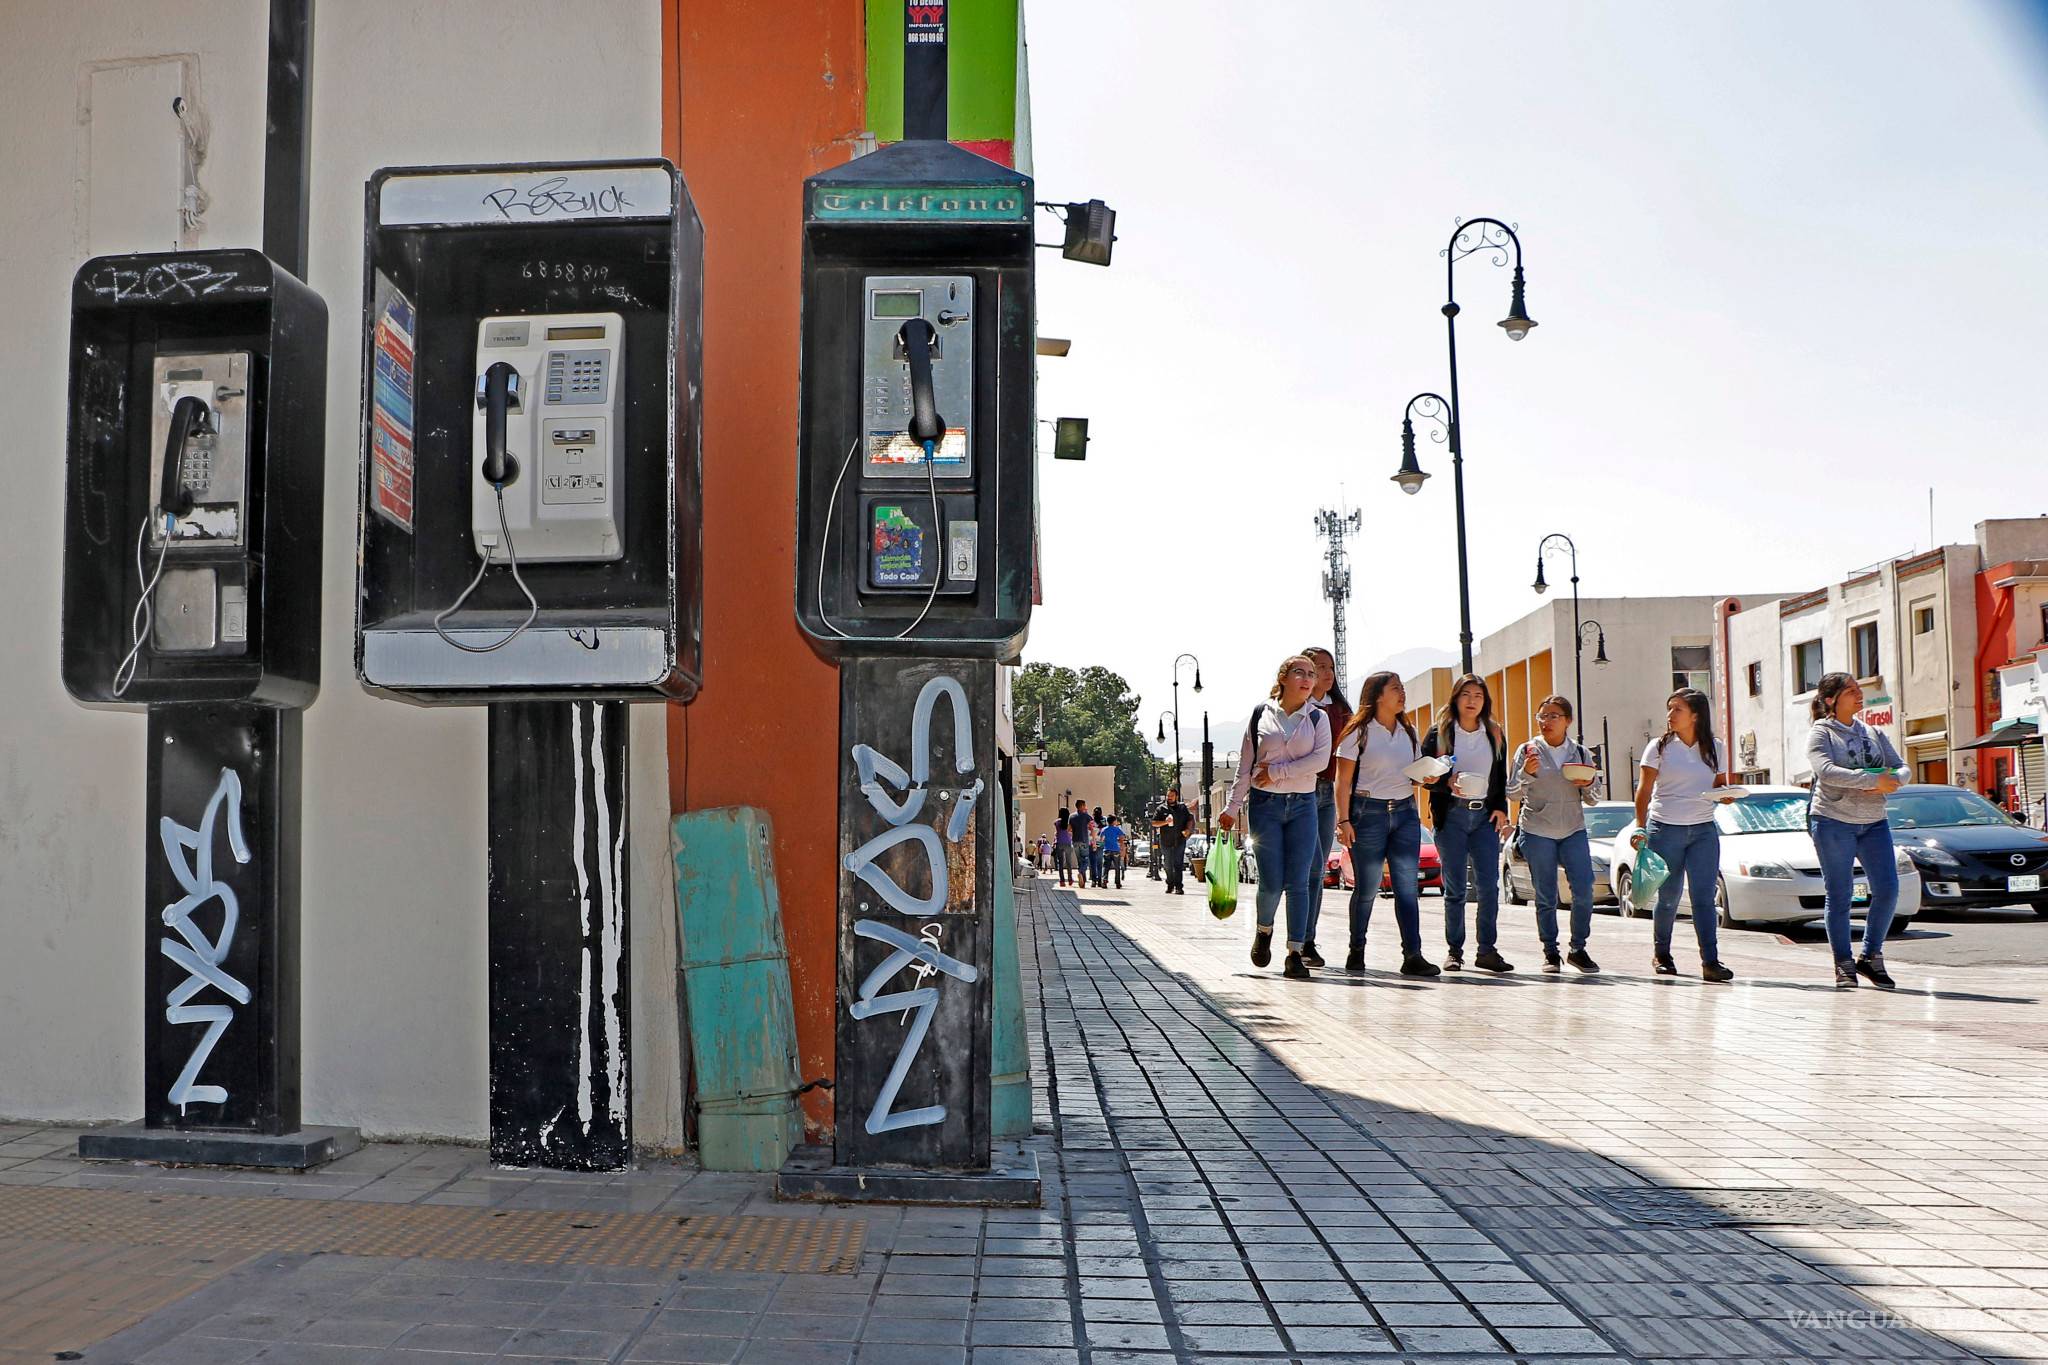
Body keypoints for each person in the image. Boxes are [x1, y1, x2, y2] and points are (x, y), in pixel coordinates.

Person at [1220, 655, 1333, 980]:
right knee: (1270, 883)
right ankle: (1264, 931)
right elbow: (1245, 768)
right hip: (1265, 806)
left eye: (1312, 674)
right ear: (1283, 677)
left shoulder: (1317, 718)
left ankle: (1294, 953)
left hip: (1304, 805)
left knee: (1299, 882)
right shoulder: (1260, 715)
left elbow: (1320, 760)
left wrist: (1279, 772)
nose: (1308, 678)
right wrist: (1230, 809)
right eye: (1301, 672)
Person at [1332, 671, 1439, 978]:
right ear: (1378, 695)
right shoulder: (1358, 732)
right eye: (1396, 689)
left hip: (1405, 812)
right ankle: (1357, 950)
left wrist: (1427, 776)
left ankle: (1413, 955)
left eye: (1402, 688)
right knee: (1366, 888)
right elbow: (1343, 782)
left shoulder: (1408, 730)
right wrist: (1343, 820)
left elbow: (1414, 773)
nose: (1402, 693)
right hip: (1369, 813)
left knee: (1407, 888)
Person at [1631, 687, 1739, 982]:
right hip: (1665, 829)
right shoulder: (1659, 747)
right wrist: (1640, 827)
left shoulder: (1715, 747)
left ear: (1695, 715)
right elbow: (1643, 791)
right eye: (1669, 708)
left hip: (1704, 830)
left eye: (1676, 709)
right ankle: (1662, 955)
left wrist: (1725, 795)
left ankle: (1711, 961)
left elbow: (1719, 785)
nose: (1669, 715)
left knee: (1704, 898)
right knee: (1668, 896)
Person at [1805, 672, 1906, 989]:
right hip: (1833, 821)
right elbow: (1825, 771)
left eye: (1859, 690)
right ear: (1831, 699)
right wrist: (1871, 780)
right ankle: (1843, 964)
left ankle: (1870, 957)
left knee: (1888, 889)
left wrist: (1895, 780)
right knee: (1840, 895)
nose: (1859, 695)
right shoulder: (1821, 733)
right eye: (1851, 691)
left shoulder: (1873, 731)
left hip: (1874, 821)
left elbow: (1901, 766)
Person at [1421, 674, 1514, 973]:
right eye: (1466, 694)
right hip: (1453, 816)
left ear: (1485, 701)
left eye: (1478, 695)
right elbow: (1424, 775)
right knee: (1456, 888)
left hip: (1485, 816)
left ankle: (1487, 950)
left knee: (1488, 886)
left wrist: (1501, 808)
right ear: (1456, 698)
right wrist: (1446, 783)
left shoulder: (1494, 733)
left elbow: (1500, 775)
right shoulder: (1440, 732)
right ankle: (1454, 951)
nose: (1472, 700)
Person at [1507, 695, 1605, 974]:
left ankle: (1578, 949)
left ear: (1568, 721)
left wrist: (1587, 783)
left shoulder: (1581, 753)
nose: (1546, 722)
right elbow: (1512, 793)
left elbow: (1595, 798)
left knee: (1584, 888)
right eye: (1542, 716)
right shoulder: (1527, 751)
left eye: (1553, 716)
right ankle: (1550, 951)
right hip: (1537, 829)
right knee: (1546, 894)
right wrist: (1527, 773)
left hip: (1572, 828)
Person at [1300, 646, 1352, 970]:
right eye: (1320, 666)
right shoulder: (1298, 707)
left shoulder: (1341, 710)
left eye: (1330, 667)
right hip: (1300, 791)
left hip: (1327, 794)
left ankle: (1307, 940)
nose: (1327, 673)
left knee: (1317, 871)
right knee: (1306, 867)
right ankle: (1296, 937)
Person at [1155, 788, 1195, 894]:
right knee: (1168, 864)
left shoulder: (1182, 808)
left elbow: (1190, 819)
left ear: (1176, 796)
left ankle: (1178, 887)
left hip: (1179, 840)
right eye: (1168, 795)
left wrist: (1188, 829)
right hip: (1165, 841)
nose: (1169, 798)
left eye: (1171, 796)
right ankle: (1170, 884)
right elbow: (1154, 823)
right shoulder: (1161, 808)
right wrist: (1165, 822)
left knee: (1178, 864)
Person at [1069, 801, 1099, 889]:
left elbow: (1068, 829)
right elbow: (1093, 829)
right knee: (1085, 860)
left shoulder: (1072, 816)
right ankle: (1080, 872)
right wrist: (1094, 842)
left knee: (1080, 861)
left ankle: (1082, 882)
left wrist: (1074, 832)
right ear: (1082, 806)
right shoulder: (1086, 816)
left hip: (1075, 841)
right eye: (1085, 805)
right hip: (1084, 841)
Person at [1101, 813, 1127, 889]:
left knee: (1106, 866)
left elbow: (1101, 839)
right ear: (1114, 821)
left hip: (1107, 849)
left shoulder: (1104, 829)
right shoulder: (1117, 829)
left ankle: (1104, 881)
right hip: (1115, 849)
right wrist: (1121, 846)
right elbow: (1122, 838)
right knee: (1117, 867)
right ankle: (1117, 883)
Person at [1053, 806, 1074, 887]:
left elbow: (1057, 829)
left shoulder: (1057, 822)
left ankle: (1062, 881)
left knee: (1060, 863)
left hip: (1059, 843)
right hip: (1068, 843)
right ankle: (1070, 879)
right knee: (1069, 862)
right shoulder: (1070, 823)